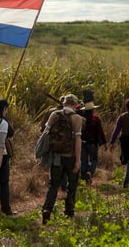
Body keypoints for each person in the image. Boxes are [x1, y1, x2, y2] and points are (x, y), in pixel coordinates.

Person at [41, 94, 84, 224]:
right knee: (72, 185)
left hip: (56, 157)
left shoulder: (54, 115)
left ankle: (47, 210)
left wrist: (45, 154)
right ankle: (69, 212)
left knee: (53, 185)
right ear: (75, 104)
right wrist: (78, 160)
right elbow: (78, 140)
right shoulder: (77, 118)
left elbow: (45, 134)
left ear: (64, 103)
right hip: (70, 157)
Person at [79, 90, 107, 185]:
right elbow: (100, 132)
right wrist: (104, 143)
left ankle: (83, 179)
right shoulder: (96, 119)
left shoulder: (81, 118)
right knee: (94, 160)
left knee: (83, 161)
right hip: (92, 143)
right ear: (93, 109)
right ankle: (90, 172)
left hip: (82, 143)